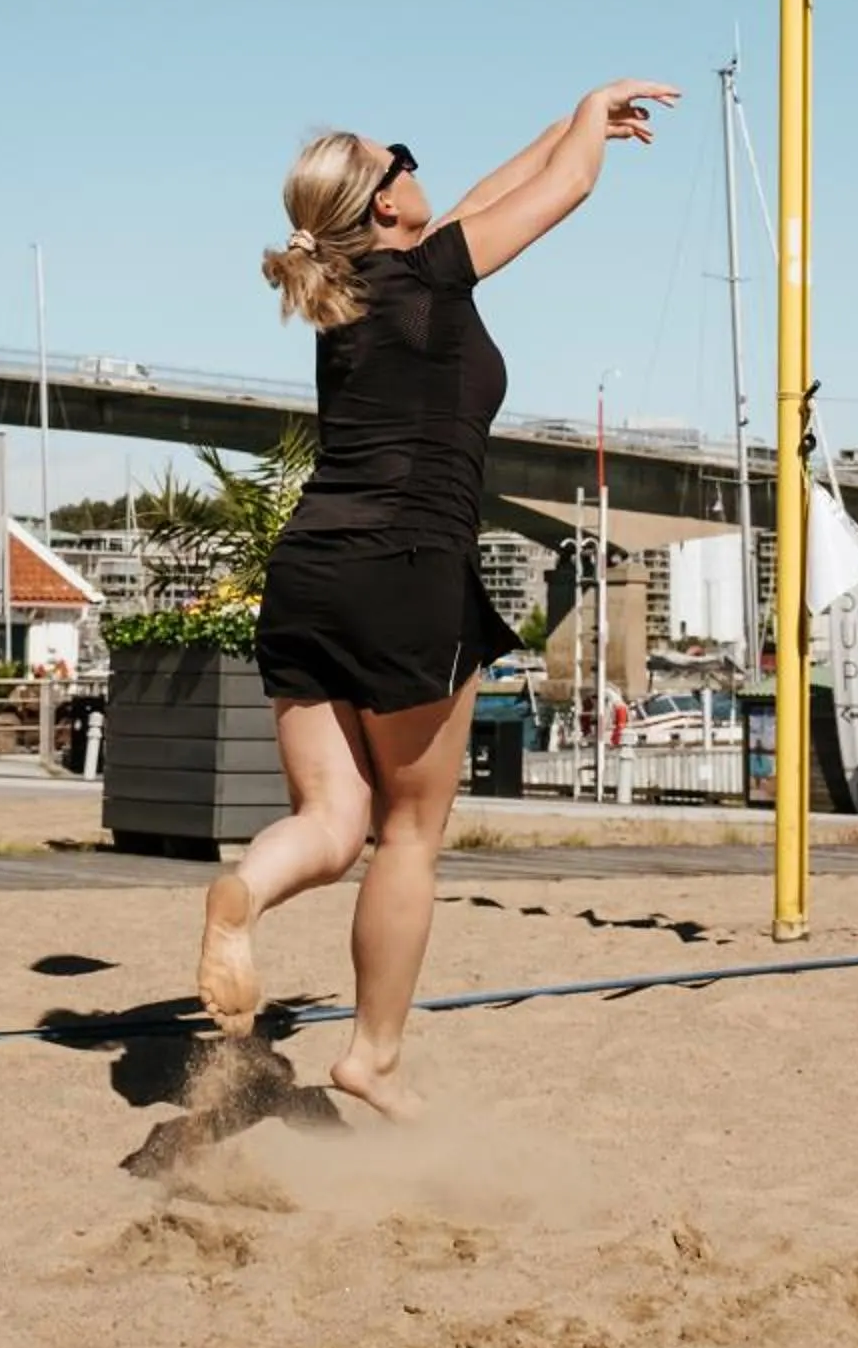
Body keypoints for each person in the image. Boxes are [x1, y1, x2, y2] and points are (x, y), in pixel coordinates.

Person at [196, 79, 680, 1118]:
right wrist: (592, 116)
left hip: (309, 572)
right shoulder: (428, 281)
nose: (423, 170)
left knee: (331, 821)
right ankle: (372, 1056)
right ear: (381, 205)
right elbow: (565, 192)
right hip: (405, 573)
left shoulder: (357, 294)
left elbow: (500, 190)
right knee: (408, 834)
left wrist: (568, 117)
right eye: (404, 156)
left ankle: (246, 891)